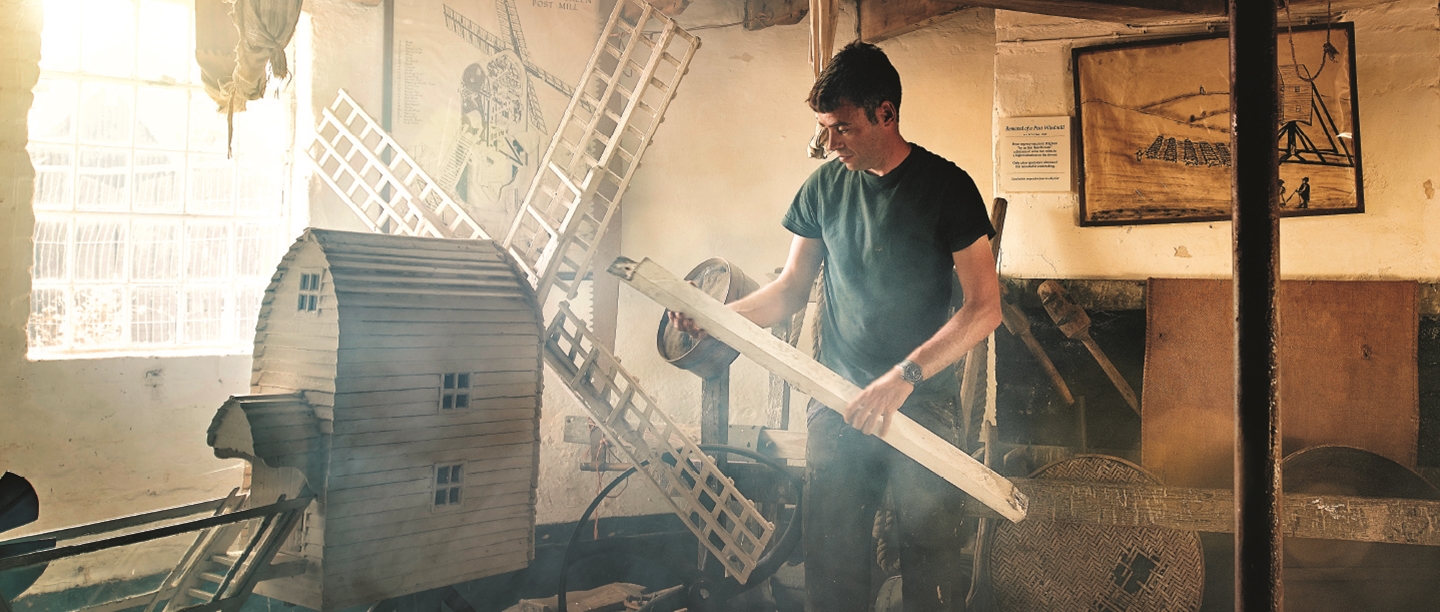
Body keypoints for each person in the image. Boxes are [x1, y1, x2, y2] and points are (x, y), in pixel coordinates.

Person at [670, 41, 1001, 612]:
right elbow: (790, 291)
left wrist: (905, 377)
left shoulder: (948, 188)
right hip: (840, 400)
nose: (830, 143)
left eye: (842, 128)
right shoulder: (824, 188)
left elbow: (984, 309)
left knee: (931, 571)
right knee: (832, 572)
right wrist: (715, 321)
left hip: (921, 404)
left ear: (886, 114)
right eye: (824, 129)